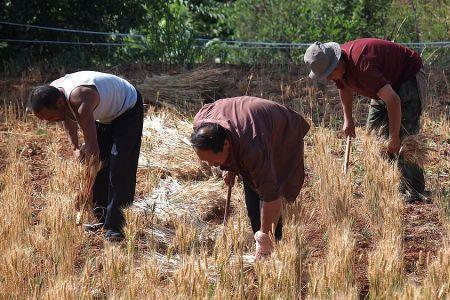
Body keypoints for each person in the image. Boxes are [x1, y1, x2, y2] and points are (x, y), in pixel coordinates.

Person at [304, 38, 427, 202]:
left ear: (338, 62)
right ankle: (391, 181)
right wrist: (348, 119)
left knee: (406, 138)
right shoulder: (339, 68)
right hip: (384, 84)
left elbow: (393, 100)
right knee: (374, 136)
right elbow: (344, 88)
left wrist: (394, 136)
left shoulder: (363, 67)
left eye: (329, 74)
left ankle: (414, 189)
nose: (328, 79)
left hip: (407, 77)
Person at [28, 71, 144, 241]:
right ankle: (104, 219)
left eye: (51, 117)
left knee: (120, 168)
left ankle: (117, 227)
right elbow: (66, 118)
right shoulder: (53, 93)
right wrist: (75, 148)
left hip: (127, 109)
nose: (51, 121)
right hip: (104, 116)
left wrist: (86, 185)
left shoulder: (81, 98)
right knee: (102, 168)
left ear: (60, 102)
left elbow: (93, 151)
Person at [191, 96, 310, 259]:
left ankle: (273, 243)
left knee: (271, 185)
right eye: (207, 161)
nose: (212, 165)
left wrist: (264, 239)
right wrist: (228, 165)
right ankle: (264, 236)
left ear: (226, 145)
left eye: (213, 159)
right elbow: (231, 143)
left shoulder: (252, 148)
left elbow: (271, 195)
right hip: (250, 126)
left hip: (281, 132)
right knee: (253, 183)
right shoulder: (201, 123)